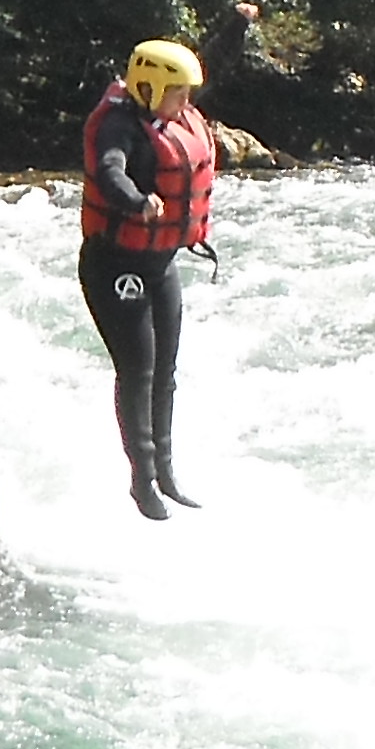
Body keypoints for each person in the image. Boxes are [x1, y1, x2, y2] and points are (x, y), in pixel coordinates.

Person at [80, 38, 221, 520]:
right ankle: (142, 480)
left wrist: (238, 27)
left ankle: (166, 471)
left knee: (166, 372)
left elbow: (213, 64)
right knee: (138, 369)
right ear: (149, 88)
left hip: (159, 263)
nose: (186, 102)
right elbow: (109, 169)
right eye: (178, 93)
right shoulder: (119, 126)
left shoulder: (171, 111)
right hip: (114, 265)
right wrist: (137, 201)